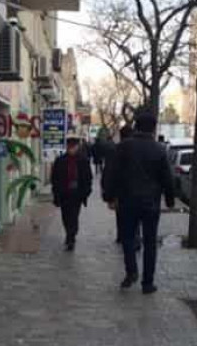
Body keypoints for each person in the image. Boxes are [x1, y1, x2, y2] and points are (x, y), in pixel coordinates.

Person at [104, 112, 175, 294]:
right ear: (153, 128)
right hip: (151, 202)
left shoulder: (124, 147)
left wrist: (110, 197)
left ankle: (131, 271)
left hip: (127, 201)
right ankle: (147, 283)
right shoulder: (159, 149)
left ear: (136, 126)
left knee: (128, 238)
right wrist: (169, 199)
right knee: (150, 242)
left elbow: (113, 173)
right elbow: (167, 178)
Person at [51, 134, 93, 251]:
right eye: (70, 147)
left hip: (77, 193)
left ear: (77, 147)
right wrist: (56, 192)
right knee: (65, 216)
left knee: (74, 216)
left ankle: (71, 237)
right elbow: (55, 178)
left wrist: (86, 191)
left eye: (74, 147)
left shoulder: (83, 160)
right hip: (64, 193)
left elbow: (88, 177)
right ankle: (69, 233)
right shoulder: (60, 160)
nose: (72, 149)